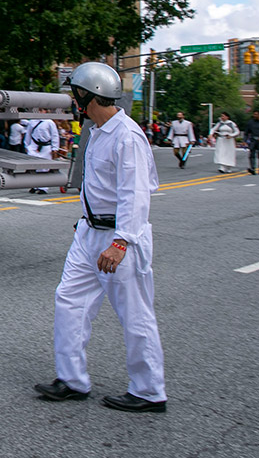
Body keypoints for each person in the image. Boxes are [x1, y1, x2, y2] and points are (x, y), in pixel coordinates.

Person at [35, 62, 166, 413]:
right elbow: (97, 186)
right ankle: (72, 378)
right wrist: (86, 222)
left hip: (120, 239)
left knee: (134, 315)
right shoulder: (97, 130)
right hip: (90, 232)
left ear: (87, 96)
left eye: (75, 92)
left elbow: (135, 195)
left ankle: (149, 391)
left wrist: (121, 242)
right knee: (69, 301)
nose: (73, 98)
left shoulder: (127, 135)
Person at [24, 114, 60, 193]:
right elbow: (28, 134)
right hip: (34, 146)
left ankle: (43, 187)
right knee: (33, 166)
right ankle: (34, 185)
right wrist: (26, 146)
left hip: (45, 147)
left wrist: (55, 148)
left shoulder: (49, 122)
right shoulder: (32, 122)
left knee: (43, 167)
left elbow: (55, 135)